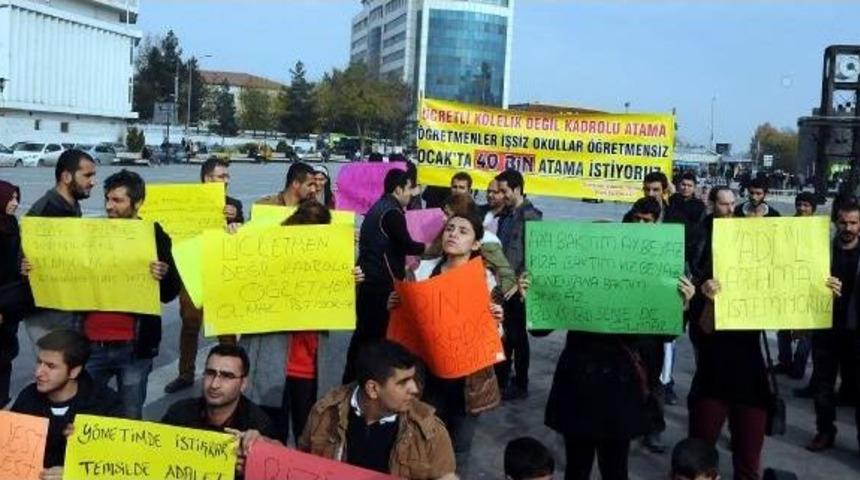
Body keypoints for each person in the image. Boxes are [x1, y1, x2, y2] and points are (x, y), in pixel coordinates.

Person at [688, 187, 835, 478]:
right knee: (698, 461)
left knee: (748, 463)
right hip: (712, 378)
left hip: (752, 382)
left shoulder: (765, 278)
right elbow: (702, 330)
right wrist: (708, 299)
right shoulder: (707, 279)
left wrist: (822, 296)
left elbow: (796, 332)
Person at [544, 249, 695, 480]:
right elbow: (540, 328)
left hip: (619, 391)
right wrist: (533, 297)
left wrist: (681, 306)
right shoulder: (575, 283)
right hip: (578, 387)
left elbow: (665, 334)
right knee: (577, 466)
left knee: (615, 467)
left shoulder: (637, 288)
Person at [239, 200, 359, 445]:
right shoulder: (270, 253)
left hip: (311, 368)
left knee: (311, 438)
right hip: (272, 365)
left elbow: (342, 314)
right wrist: (233, 236)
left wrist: (353, 282)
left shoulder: (338, 262)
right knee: (270, 435)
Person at [390, 212, 504, 473]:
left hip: (469, 383)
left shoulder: (484, 279)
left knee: (458, 452)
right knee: (421, 444)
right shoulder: (422, 272)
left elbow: (494, 338)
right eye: (450, 228)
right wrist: (395, 306)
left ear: (475, 244)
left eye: (463, 231)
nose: (453, 234)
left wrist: (497, 320)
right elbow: (406, 324)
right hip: (427, 379)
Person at [70, 170, 180, 419]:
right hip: (90, 345)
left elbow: (170, 293)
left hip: (133, 349)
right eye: (108, 199)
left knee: (130, 417)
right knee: (84, 416)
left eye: (118, 200)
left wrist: (163, 274)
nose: (110, 206)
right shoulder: (90, 233)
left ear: (138, 203)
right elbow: (68, 279)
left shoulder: (155, 236)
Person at [300, 340, 456, 479]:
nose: (414, 389)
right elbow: (302, 465)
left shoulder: (431, 433)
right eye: (403, 383)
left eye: (413, 380)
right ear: (373, 389)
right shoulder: (324, 413)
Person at [165, 158, 243, 394]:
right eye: (222, 176)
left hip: (221, 275)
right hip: (192, 275)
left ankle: (231, 375)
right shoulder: (188, 203)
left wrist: (236, 221)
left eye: (227, 176)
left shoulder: (234, 205)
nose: (226, 180)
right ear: (207, 178)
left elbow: (245, 241)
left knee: (226, 331)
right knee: (189, 326)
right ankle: (185, 373)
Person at [344, 168, 426, 383]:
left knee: (363, 335)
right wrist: (432, 248)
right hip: (380, 284)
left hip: (369, 281)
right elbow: (407, 244)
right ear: (399, 189)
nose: (413, 194)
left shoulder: (378, 207)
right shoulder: (392, 212)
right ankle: (360, 382)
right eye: (410, 188)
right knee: (373, 337)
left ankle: (352, 380)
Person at [12, 329, 122, 477]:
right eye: (39, 362)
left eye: (51, 366)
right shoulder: (28, 397)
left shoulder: (106, 404)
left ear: (74, 372)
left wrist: (75, 473)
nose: (38, 372)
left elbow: (119, 462)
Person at [162, 344, 280, 477]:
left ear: (243, 384)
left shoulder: (259, 425)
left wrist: (256, 461)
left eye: (227, 376)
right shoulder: (179, 414)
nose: (214, 384)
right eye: (210, 373)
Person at [23, 149, 97, 342]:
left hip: (69, 308)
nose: (93, 182)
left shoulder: (73, 205)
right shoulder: (44, 212)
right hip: (47, 315)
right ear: (66, 176)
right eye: (87, 175)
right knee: (54, 369)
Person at [806, 201, 860, 453]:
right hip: (826, 329)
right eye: (843, 222)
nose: (848, 227)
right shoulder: (823, 253)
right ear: (835, 222)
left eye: (853, 222)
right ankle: (825, 431)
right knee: (823, 388)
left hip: (856, 332)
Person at [495, 169, 542, 400]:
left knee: (517, 337)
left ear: (517, 189)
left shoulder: (531, 217)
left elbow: (535, 256)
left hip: (519, 289)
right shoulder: (506, 215)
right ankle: (502, 378)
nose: (501, 195)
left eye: (505, 191)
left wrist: (522, 282)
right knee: (504, 335)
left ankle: (520, 382)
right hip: (502, 286)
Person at [774, 192, 816, 380]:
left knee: (806, 330)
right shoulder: (786, 226)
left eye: (806, 205)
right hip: (787, 283)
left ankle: (798, 367)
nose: (801, 208)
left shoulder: (821, 229)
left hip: (810, 286)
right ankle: (784, 362)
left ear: (813, 208)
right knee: (783, 327)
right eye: (799, 204)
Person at [0, 180, 25, 407]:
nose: (15, 203)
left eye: (17, 198)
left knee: (5, 358)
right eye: (11, 199)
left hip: (10, 306)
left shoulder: (12, 225)